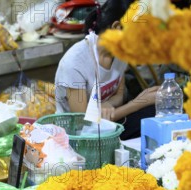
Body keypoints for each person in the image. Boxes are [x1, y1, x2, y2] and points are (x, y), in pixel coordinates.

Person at [54, 0, 159, 140]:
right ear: (118, 27)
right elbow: (83, 122)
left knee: (156, 112)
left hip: (109, 125)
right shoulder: (75, 63)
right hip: (80, 137)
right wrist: (139, 102)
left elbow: (119, 96)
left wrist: (108, 104)